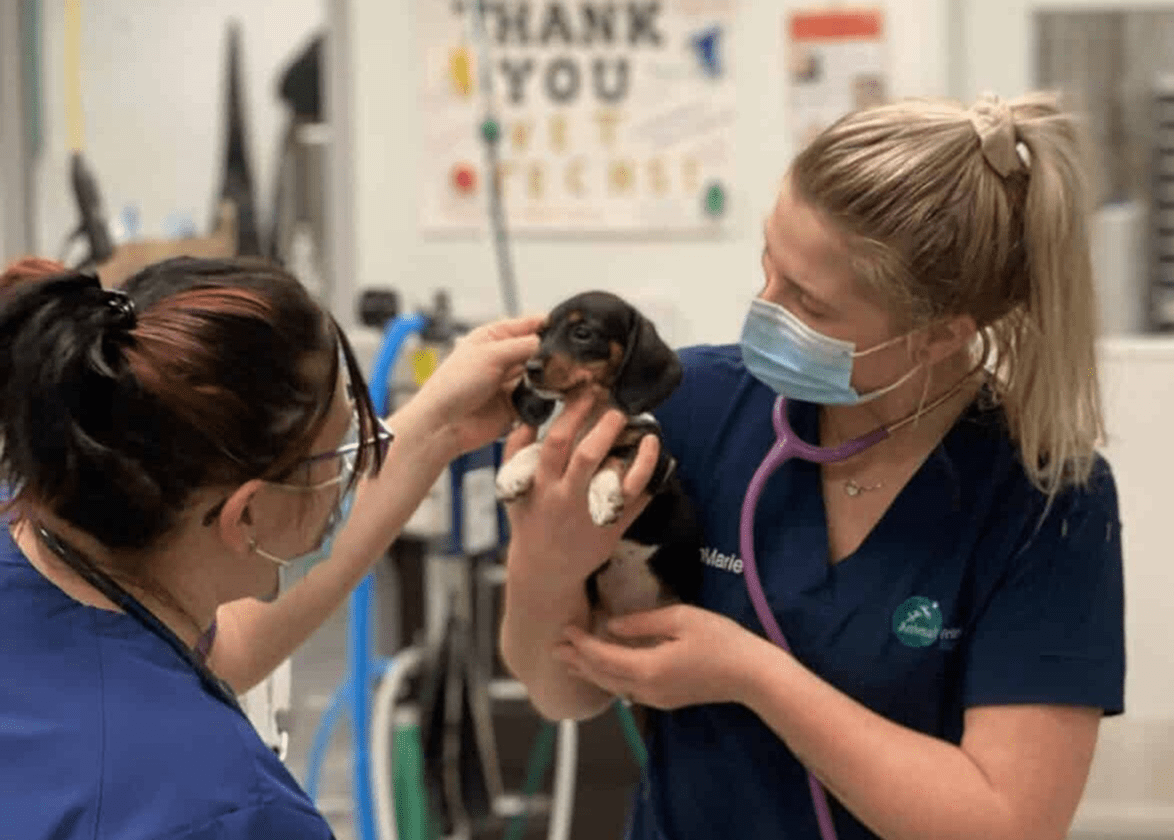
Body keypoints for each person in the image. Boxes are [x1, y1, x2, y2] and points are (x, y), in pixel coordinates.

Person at [498, 91, 1126, 840]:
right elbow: (565, 694)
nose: (763, 308)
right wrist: (543, 563)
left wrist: (751, 675)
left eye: (808, 302)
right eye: (768, 262)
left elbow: (1002, 823)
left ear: (939, 335)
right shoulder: (692, 408)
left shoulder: (1046, 498)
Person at [0, 256, 542, 839]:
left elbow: (207, 646)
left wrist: (437, 427)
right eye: (340, 457)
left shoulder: (42, 538)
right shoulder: (227, 810)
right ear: (247, 513)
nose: (351, 476)